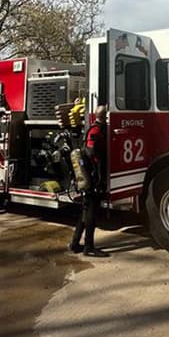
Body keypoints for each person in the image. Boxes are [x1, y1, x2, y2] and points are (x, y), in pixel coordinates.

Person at [70, 105, 110, 257]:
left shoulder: (97, 129)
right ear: (105, 116)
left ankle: (75, 244)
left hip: (90, 176)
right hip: (91, 178)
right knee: (91, 213)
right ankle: (89, 247)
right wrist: (99, 178)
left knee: (85, 212)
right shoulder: (96, 131)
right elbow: (93, 155)